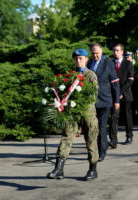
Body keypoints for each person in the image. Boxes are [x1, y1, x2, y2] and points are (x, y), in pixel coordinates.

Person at [47, 49, 99, 181]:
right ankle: (59, 168)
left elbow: (93, 95)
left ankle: (93, 169)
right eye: (76, 58)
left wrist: (79, 102)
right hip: (72, 113)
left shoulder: (90, 75)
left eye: (81, 58)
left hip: (87, 113)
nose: (78, 61)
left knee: (91, 139)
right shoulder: (70, 75)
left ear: (87, 59)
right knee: (66, 137)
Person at [89, 44, 120, 161]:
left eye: (97, 53)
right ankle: (99, 147)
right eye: (93, 53)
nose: (95, 55)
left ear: (101, 53)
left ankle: (101, 153)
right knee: (93, 127)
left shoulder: (108, 64)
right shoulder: (88, 64)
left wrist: (116, 101)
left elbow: (115, 83)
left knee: (102, 126)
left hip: (105, 101)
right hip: (91, 102)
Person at [108, 44, 134, 148]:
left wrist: (120, 92)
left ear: (122, 51)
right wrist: (115, 93)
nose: (115, 53)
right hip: (114, 95)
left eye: (118, 50)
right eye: (114, 50)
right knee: (114, 117)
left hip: (125, 94)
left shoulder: (128, 63)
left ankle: (129, 135)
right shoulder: (110, 63)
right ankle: (113, 140)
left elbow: (130, 79)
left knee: (127, 116)